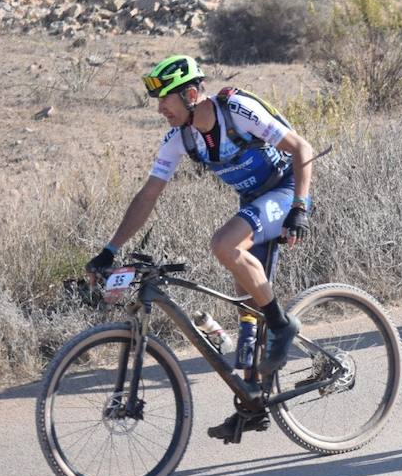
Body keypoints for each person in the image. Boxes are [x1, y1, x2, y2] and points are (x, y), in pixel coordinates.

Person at [85, 54, 316, 442]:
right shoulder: (180, 138)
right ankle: (252, 405)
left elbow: (301, 147)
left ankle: (282, 324)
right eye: (156, 101)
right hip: (253, 203)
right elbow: (148, 195)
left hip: (285, 193)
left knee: (223, 246)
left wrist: (300, 209)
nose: (160, 109)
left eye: (166, 100)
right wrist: (110, 248)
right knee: (246, 309)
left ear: (191, 93)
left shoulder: (237, 111)